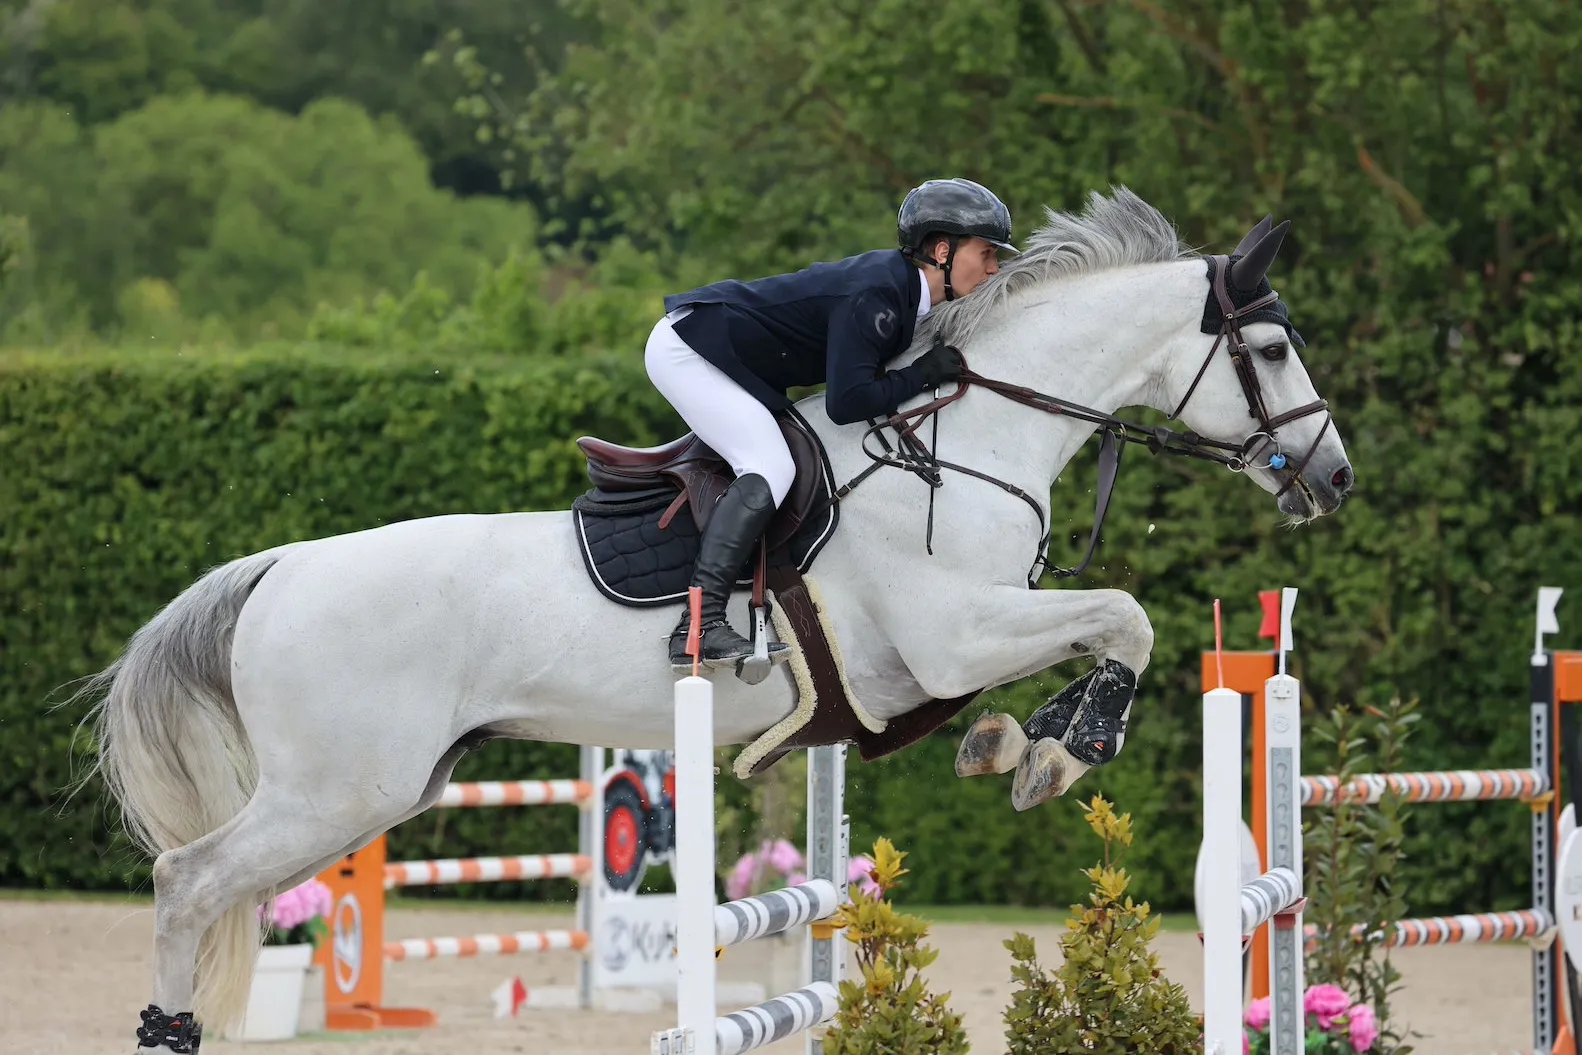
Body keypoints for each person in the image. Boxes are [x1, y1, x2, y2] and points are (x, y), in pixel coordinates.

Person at [643, 177, 1019, 672]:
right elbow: (847, 402)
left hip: (728, 357)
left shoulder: (905, 296)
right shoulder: (879, 294)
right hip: (690, 350)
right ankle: (700, 624)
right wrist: (921, 375)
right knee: (771, 466)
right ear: (943, 251)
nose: (994, 268)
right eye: (986, 253)